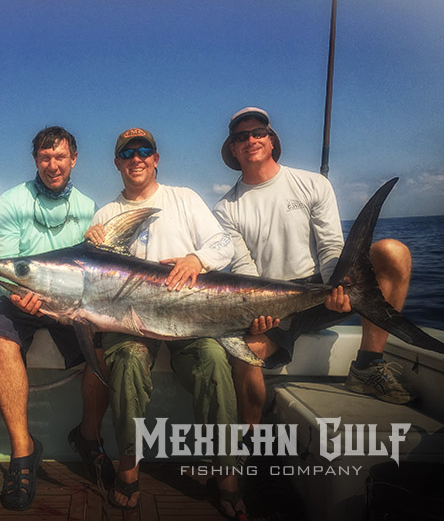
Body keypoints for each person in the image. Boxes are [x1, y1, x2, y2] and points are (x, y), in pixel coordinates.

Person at [213, 106, 413, 431]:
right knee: (243, 356)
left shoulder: (311, 183)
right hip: (273, 305)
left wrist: (341, 287)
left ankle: (367, 366)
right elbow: (245, 271)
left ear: (271, 139)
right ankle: (251, 441)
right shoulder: (225, 208)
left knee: (393, 252)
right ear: (233, 148)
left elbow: (331, 247)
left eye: (258, 132)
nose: (251, 139)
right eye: (241, 136)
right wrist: (259, 316)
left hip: (323, 288)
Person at [85, 128, 250, 518]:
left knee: (212, 359)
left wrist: (197, 260)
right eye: (128, 153)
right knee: (125, 362)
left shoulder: (184, 199)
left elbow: (222, 244)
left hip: (189, 318)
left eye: (144, 151)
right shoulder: (106, 215)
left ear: (156, 159)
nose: (136, 158)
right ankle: (129, 469)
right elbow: (91, 279)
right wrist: (91, 243)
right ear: (117, 163)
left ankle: (226, 476)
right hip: (129, 324)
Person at [0, 126, 113, 511]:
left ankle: (88, 436)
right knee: (0, 344)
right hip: (18, 298)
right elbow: (5, 265)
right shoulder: (12, 200)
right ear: (35, 160)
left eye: (60, 157)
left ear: (73, 159)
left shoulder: (90, 207)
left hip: (70, 303)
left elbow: (94, 268)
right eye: (45, 157)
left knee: (104, 354)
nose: (52, 165)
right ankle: (23, 451)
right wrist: (16, 294)